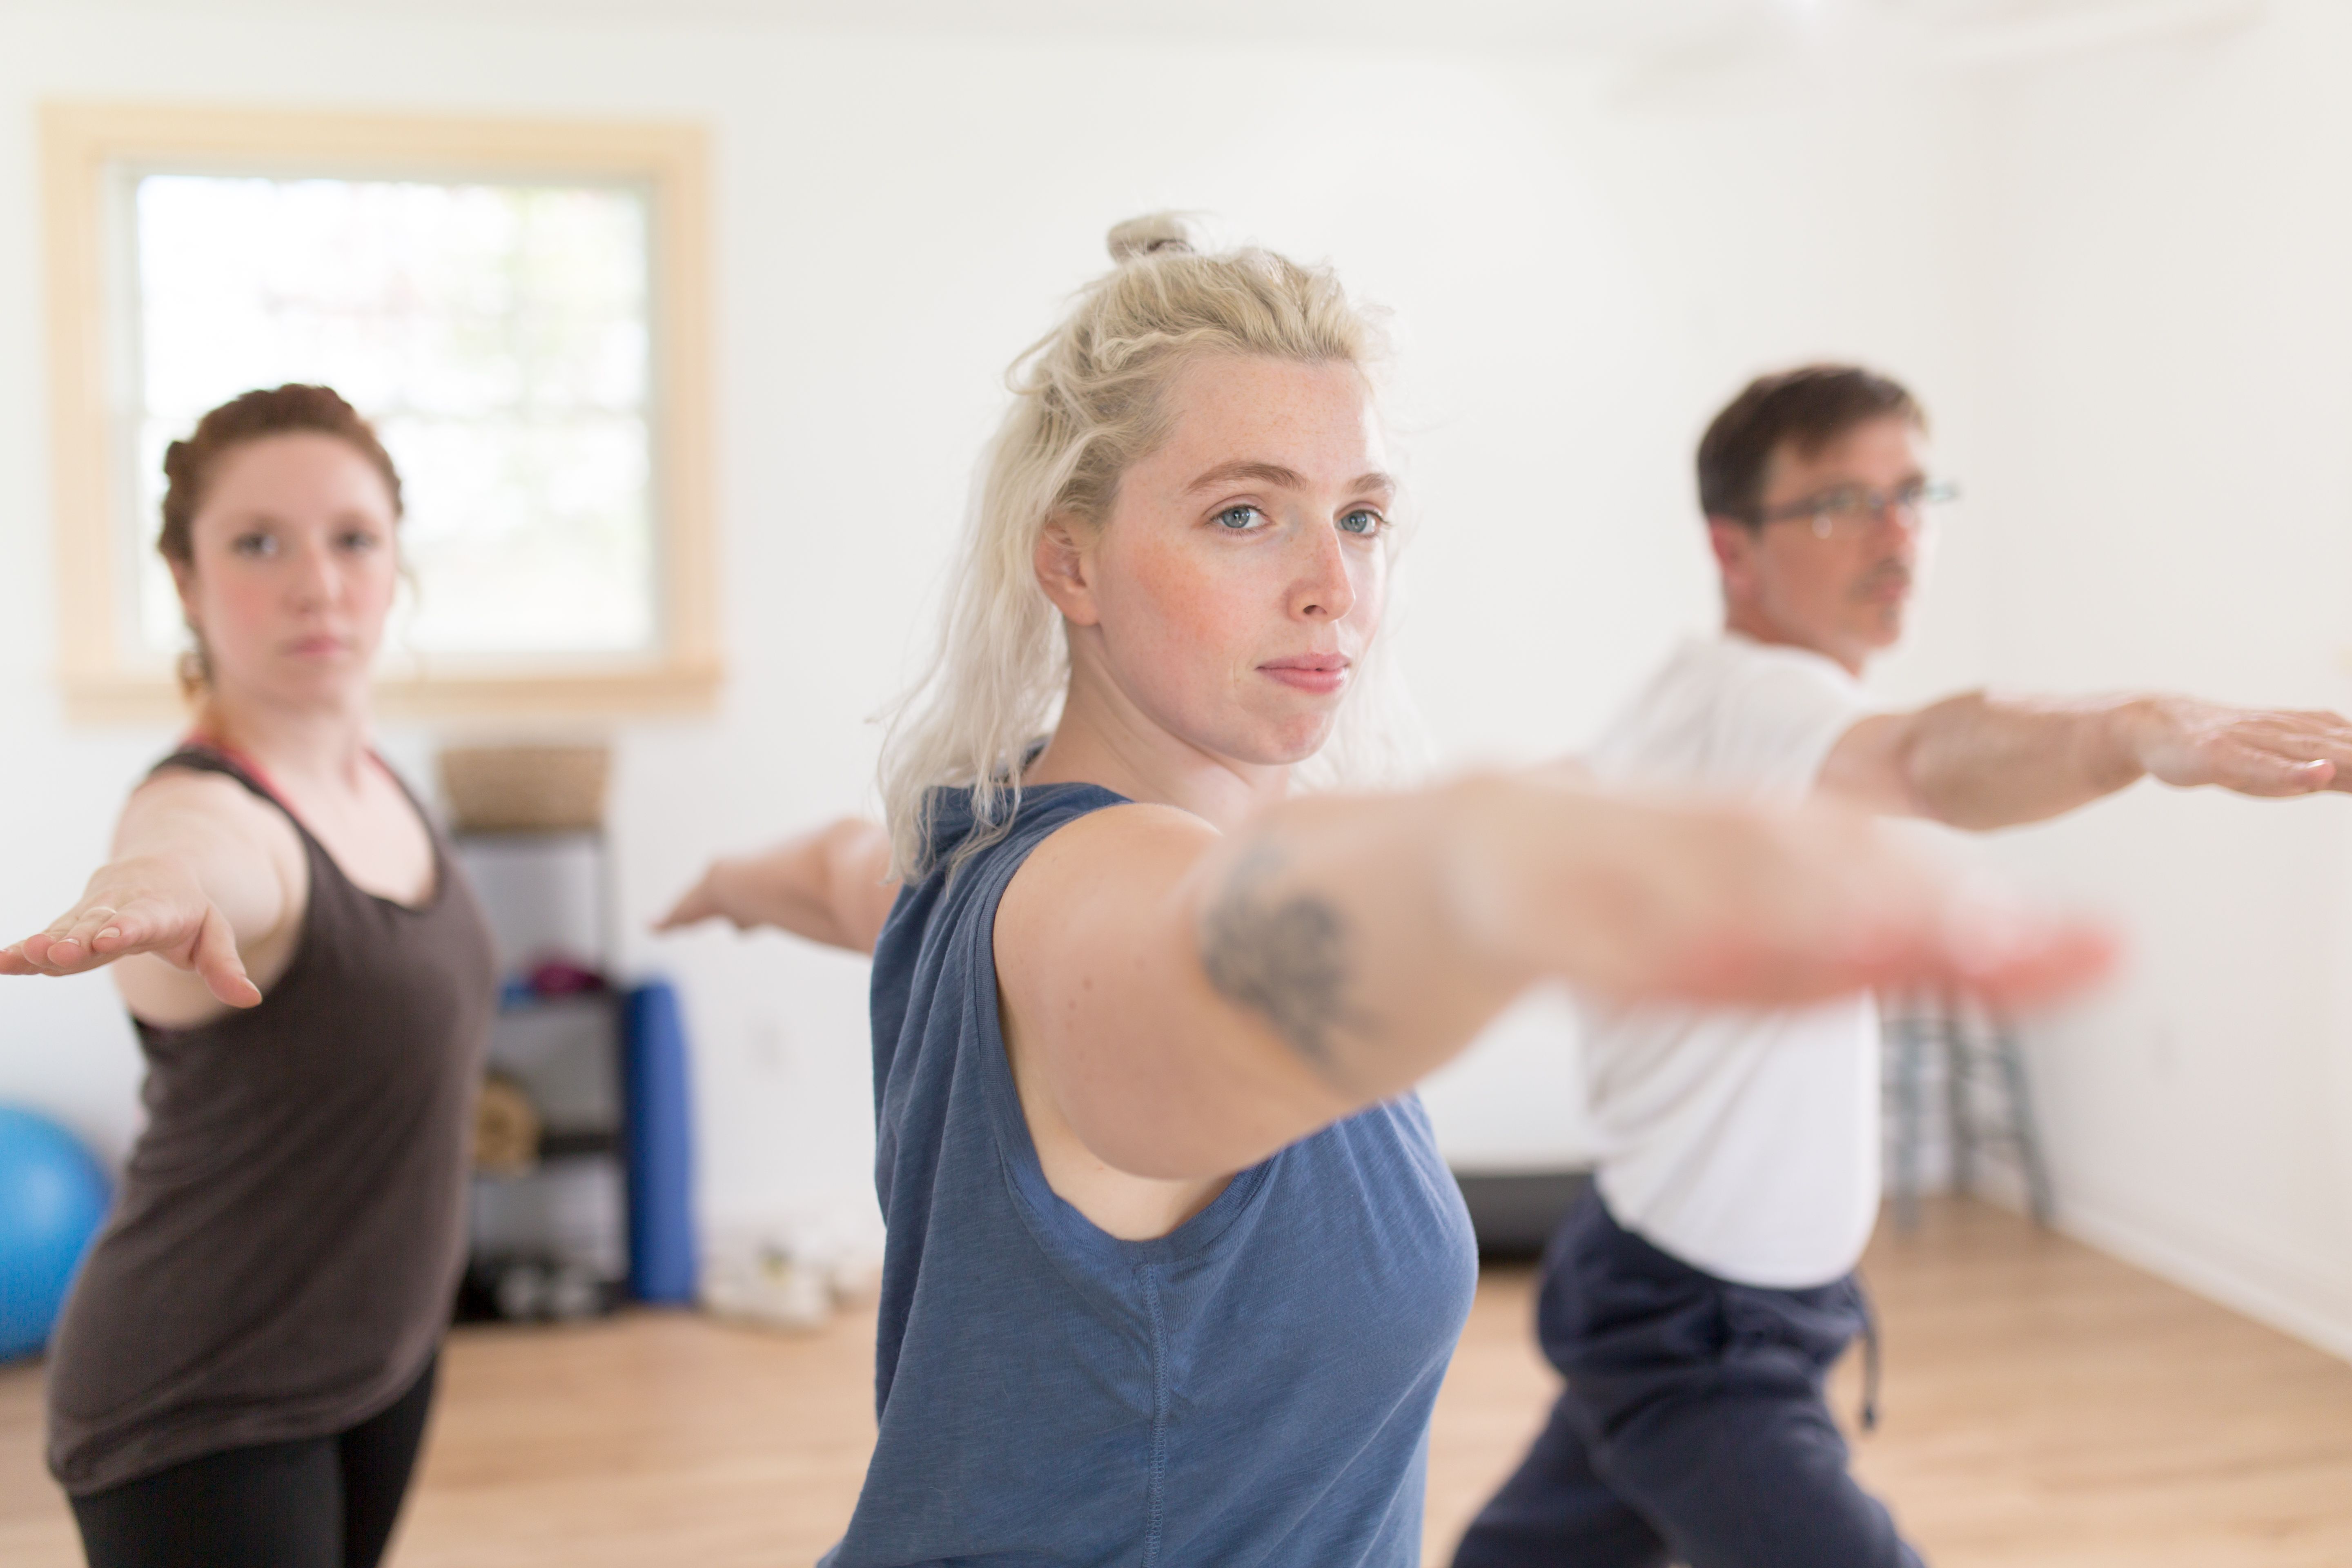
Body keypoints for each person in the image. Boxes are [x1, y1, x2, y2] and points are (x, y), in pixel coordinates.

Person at [658, 226, 2107, 1566]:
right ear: (1071, 558)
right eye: (1244, 516)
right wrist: (1500, 882)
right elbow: (1210, 967)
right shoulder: (1105, 899)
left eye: (1358, 518)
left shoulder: (965, 843)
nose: (1330, 587)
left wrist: (732, 882)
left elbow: (845, 878)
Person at [1452, 364, 2352, 1568]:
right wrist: (2138, 728)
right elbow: (1934, 758)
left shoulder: (1688, 695)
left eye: (1913, 493)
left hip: (1685, 1285)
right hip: (1697, 1335)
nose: (1897, 536)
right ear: (1734, 548)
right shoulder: (1769, 701)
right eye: (1839, 503)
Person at [1, 386, 495, 1568]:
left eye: (353, 538)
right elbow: (213, 855)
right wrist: (161, 884)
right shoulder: (204, 802)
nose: (317, 582)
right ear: (185, 580)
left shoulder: (375, 779)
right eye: (258, 543)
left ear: (394, 563)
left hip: (372, 1358)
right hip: (200, 1396)